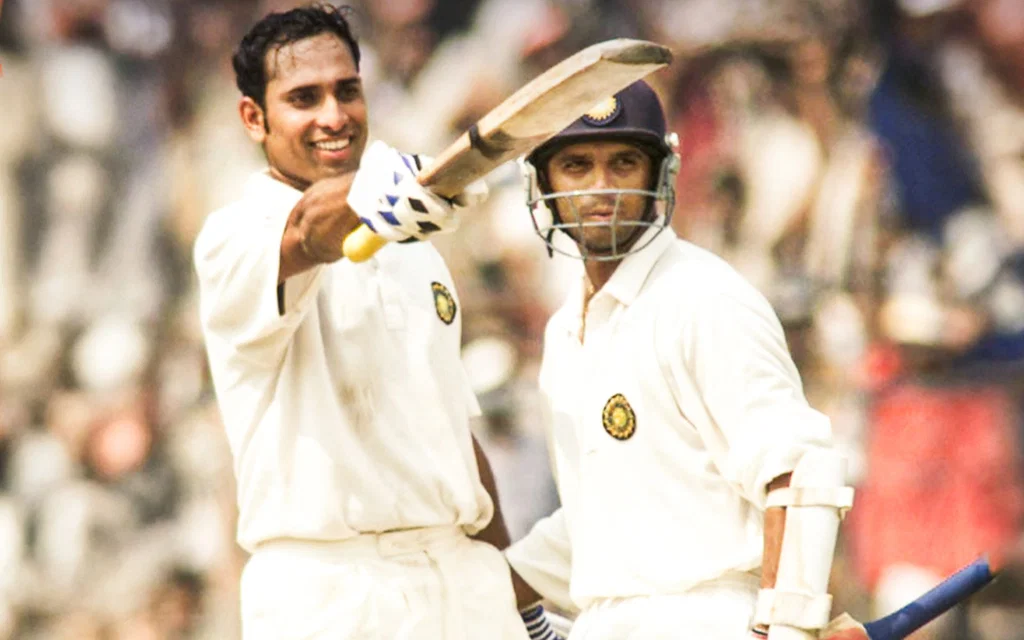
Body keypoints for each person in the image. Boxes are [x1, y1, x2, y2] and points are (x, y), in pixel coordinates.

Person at [193, 6, 554, 639]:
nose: (333, 116)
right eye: (303, 98)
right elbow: (306, 229)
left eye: (346, 91)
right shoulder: (234, 237)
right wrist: (369, 193)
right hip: (329, 592)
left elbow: (453, 441)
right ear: (255, 118)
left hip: (458, 580)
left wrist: (525, 608)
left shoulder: (416, 243)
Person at [503, 80, 840, 639]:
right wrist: (480, 590)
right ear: (542, 182)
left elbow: (798, 475)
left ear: (661, 174)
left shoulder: (703, 298)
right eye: (578, 166)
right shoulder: (565, 332)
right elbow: (606, 518)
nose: (601, 188)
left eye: (625, 163)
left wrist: (788, 630)